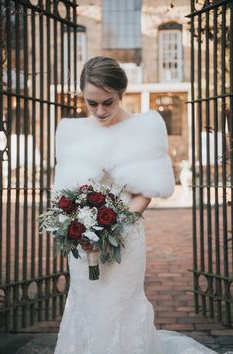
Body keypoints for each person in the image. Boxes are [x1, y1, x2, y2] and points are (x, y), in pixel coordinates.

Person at [52, 56, 226, 354]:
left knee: (121, 306)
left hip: (125, 236)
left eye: (108, 102)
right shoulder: (70, 132)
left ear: (121, 93)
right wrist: (80, 231)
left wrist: (112, 229)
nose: (100, 110)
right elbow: (63, 193)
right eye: (91, 103)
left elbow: (146, 191)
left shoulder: (144, 128)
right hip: (83, 243)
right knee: (85, 302)